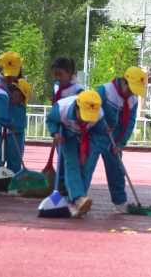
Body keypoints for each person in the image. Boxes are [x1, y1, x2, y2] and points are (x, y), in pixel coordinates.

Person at [92, 67, 147, 213]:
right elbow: (91, 110)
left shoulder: (133, 100)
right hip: (96, 136)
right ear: (124, 81)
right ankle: (78, 198)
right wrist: (100, 125)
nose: (131, 93)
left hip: (114, 140)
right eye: (130, 89)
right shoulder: (104, 91)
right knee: (86, 167)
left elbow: (130, 122)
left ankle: (120, 202)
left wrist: (121, 143)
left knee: (117, 169)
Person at [46, 90, 106, 218]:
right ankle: (78, 198)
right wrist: (55, 133)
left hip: (89, 136)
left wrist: (96, 148)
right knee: (72, 163)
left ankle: (79, 198)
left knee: (87, 166)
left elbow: (101, 132)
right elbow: (51, 120)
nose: (86, 120)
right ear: (77, 107)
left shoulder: (99, 114)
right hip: (68, 135)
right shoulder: (61, 108)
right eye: (84, 116)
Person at [50, 57, 84, 191]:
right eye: (55, 74)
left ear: (70, 73)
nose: (58, 78)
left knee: (70, 159)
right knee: (61, 156)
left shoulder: (78, 90)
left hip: (73, 130)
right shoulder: (57, 86)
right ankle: (61, 184)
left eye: (60, 74)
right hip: (60, 127)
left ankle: (69, 186)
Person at [0, 79, 31, 174]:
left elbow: (19, 125)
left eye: (22, 98)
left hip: (16, 134)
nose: (21, 100)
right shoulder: (3, 99)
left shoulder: (20, 107)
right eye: (21, 96)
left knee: (15, 159)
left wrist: (12, 127)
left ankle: (14, 180)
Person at [0, 52, 23, 170]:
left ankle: (14, 181)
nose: (10, 78)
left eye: (13, 74)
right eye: (8, 74)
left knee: (14, 158)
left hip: (15, 125)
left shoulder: (22, 84)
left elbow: (22, 104)